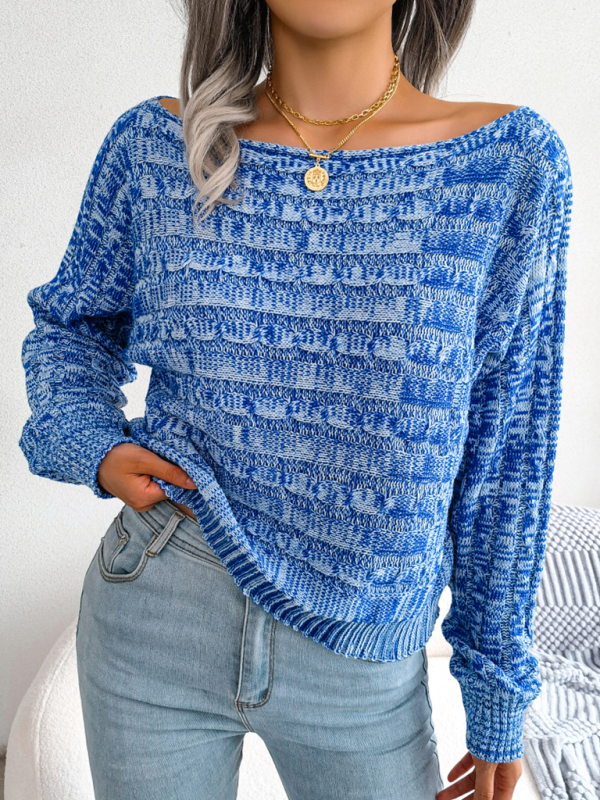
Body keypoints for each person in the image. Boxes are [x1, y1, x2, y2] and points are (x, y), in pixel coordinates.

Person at [18, 1, 573, 799]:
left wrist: (496, 695)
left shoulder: (506, 165)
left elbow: (508, 448)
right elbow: (71, 325)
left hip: (364, 648)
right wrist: (91, 444)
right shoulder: (158, 147)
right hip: (159, 607)